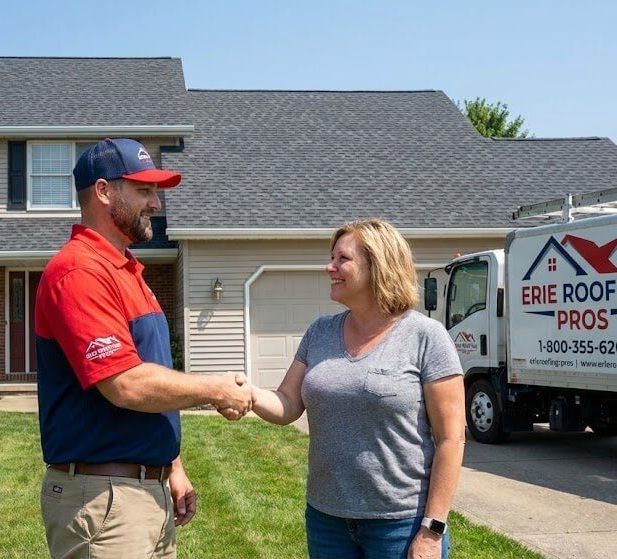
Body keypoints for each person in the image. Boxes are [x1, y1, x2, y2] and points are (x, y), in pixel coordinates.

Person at [35, 138, 253, 559]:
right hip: (104, 500)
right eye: (144, 190)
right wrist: (215, 389)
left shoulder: (128, 270)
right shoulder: (79, 271)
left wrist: (171, 465)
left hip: (142, 492)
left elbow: (148, 374)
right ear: (103, 192)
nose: (156, 203)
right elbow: (125, 384)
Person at [247, 218, 465, 559]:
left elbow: (452, 438)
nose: (329, 267)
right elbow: (288, 402)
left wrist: (432, 528)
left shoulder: (425, 337)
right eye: (331, 258)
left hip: (400, 524)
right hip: (326, 519)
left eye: (342, 259)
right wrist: (246, 394)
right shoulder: (320, 332)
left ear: (378, 265)